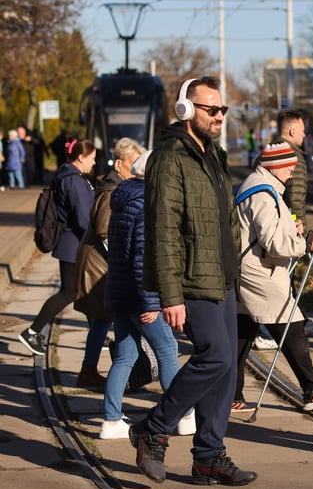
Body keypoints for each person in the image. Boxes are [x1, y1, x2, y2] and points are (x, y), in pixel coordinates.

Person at [130, 76, 256, 486]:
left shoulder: (213, 155)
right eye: (211, 109)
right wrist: (169, 294)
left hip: (222, 277)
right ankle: (154, 428)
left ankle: (208, 457)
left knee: (225, 370)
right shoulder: (170, 157)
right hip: (190, 279)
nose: (219, 116)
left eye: (223, 110)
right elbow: (163, 229)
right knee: (216, 356)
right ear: (186, 110)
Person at [233, 142, 313, 413]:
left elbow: (264, 230)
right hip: (261, 273)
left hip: (248, 270)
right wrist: (307, 244)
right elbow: (273, 242)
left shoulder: (257, 185)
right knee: (292, 328)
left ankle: (231, 397)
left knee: (241, 335)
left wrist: (289, 227)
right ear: (276, 166)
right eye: (289, 168)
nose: (292, 173)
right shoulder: (262, 193)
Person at [101, 150, 195, 440]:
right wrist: (153, 302)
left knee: (125, 357)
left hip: (121, 292)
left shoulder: (123, 201)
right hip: (141, 297)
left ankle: (111, 420)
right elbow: (144, 258)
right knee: (167, 350)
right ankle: (184, 416)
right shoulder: (146, 206)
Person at [74, 138, 145, 388]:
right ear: (118, 164)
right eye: (132, 163)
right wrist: (123, 261)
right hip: (98, 266)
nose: (136, 169)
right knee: (102, 319)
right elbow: (106, 234)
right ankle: (89, 370)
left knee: (103, 320)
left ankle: (91, 368)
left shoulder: (116, 187)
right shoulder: (111, 191)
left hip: (101, 265)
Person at [18, 139, 96, 356]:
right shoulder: (74, 180)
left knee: (85, 294)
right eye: (92, 157)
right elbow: (83, 218)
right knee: (68, 292)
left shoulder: (70, 176)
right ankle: (32, 332)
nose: (95, 162)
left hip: (73, 244)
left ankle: (97, 333)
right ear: (81, 157)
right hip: (74, 245)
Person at [277, 109, 313, 336]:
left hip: (272, 225)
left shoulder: (271, 151)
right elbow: (295, 197)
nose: (305, 135)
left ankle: (297, 321)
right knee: (286, 278)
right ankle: (288, 326)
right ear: (293, 130)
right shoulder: (293, 156)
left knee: (282, 278)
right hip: (288, 227)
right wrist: (300, 229)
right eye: (303, 131)